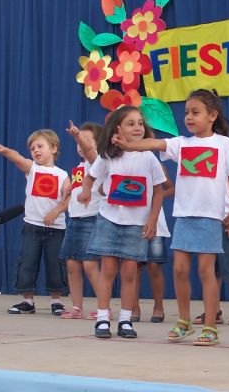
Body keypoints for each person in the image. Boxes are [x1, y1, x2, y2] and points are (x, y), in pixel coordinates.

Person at [112, 89, 229, 346]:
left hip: (209, 216)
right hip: (184, 215)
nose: (189, 117)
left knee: (206, 271)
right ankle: (184, 321)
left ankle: (210, 326)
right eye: (186, 113)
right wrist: (128, 145)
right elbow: (155, 143)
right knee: (180, 269)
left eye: (196, 112)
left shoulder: (223, 144)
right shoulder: (183, 143)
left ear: (212, 116)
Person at [78, 106, 166, 339]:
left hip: (136, 224)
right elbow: (90, 177)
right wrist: (85, 191)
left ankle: (126, 320)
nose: (137, 127)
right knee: (108, 270)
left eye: (140, 123)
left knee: (129, 273)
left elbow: (158, 191)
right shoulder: (109, 154)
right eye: (130, 123)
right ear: (118, 129)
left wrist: (152, 220)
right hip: (109, 220)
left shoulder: (148, 157)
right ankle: (103, 318)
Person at [0, 130, 70, 315]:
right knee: (27, 263)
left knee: (55, 264)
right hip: (32, 227)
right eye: (32, 148)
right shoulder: (32, 168)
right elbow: (17, 158)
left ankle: (56, 301)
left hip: (56, 229)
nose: (35, 150)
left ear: (53, 148)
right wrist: (4, 151)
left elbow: (69, 198)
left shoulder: (62, 175)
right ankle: (27, 301)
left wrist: (56, 211)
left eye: (40, 146)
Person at [194, 169, 229, 327]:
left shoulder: (228, 154)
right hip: (207, 218)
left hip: (227, 219)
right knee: (211, 267)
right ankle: (214, 311)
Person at [59, 121, 103, 320]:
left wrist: (77, 136)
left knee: (90, 265)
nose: (81, 144)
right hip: (74, 220)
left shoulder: (98, 161)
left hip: (91, 219)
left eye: (87, 140)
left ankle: (104, 307)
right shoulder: (79, 167)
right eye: (79, 140)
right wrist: (68, 190)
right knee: (72, 264)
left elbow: (91, 154)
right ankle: (77, 306)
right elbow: (78, 187)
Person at [132, 163, 174, 323]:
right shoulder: (124, 163)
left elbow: (170, 188)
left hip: (156, 222)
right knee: (133, 266)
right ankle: (133, 307)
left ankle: (159, 307)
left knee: (154, 265)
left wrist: (157, 194)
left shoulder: (156, 165)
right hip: (132, 220)